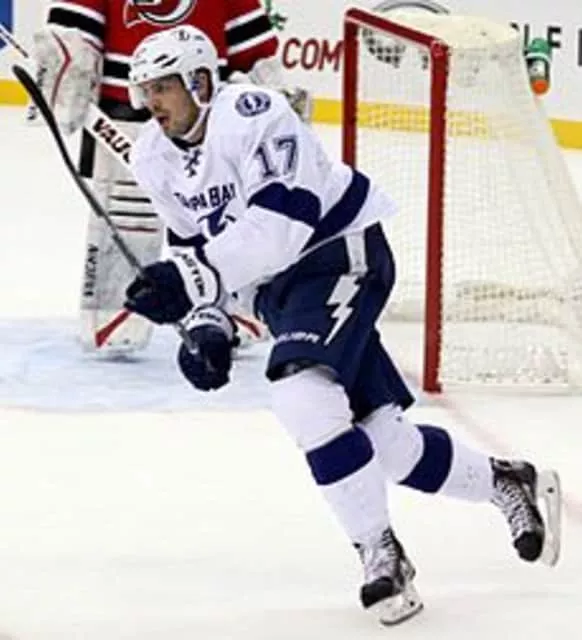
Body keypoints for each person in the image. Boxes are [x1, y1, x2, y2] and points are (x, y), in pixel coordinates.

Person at [121, 25, 562, 624]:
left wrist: (191, 281)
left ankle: (381, 555)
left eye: (164, 88)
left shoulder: (252, 114)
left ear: (200, 81)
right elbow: (189, 247)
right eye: (146, 91)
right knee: (384, 442)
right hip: (277, 289)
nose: (153, 103)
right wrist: (206, 325)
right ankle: (506, 481)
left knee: (302, 396)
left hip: (337, 252)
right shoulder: (152, 157)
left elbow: (284, 226)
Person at [31, 0, 307, 354]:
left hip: (209, 116)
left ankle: (238, 307)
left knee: (225, 210)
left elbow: (252, 47)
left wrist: (267, 90)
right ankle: (117, 314)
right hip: (124, 113)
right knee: (128, 218)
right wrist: (64, 64)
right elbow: (71, 32)